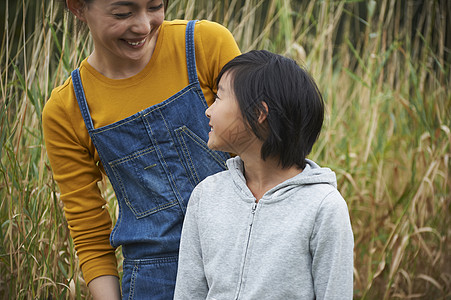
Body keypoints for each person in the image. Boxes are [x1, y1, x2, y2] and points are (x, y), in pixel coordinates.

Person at [42, 0, 240, 298]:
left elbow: (266, 150)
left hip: (240, 249)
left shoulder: (204, 45)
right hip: (154, 278)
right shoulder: (66, 110)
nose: (144, 26)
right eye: (123, 13)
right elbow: (90, 233)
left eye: (155, 6)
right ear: (78, 7)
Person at [174, 50, 354, 299]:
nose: (208, 110)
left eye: (218, 97)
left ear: (259, 113)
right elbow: (189, 292)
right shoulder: (206, 196)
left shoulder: (323, 207)